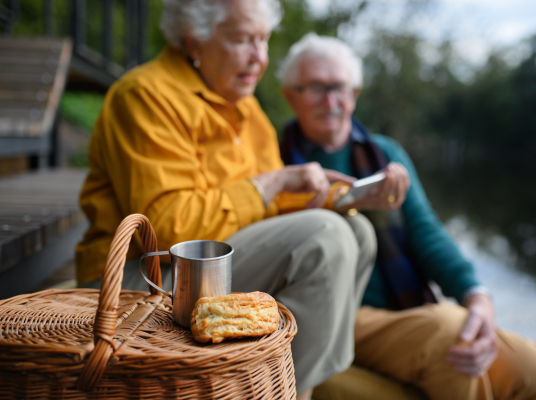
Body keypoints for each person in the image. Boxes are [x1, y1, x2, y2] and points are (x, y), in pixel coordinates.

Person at [74, 3, 377, 399]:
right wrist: (267, 183)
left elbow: (274, 207)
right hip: (144, 278)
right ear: (193, 40)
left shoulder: (248, 110)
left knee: (358, 230)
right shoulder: (145, 95)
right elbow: (168, 229)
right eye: (241, 40)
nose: (259, 57)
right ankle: (279, 391)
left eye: (264, 40)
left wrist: (347, 196)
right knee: (327, 237)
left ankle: (287, 381)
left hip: (214, 265)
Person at [279, 32, 536, 400]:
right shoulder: (276, 159)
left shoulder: (384, 154)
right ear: (290, 95)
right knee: (448, 335)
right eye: (315, 88)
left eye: (339, 87)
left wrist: (476, 295)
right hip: (337, 315)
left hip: (403, 310)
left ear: (355, 94)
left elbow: (426, 231)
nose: (330, 100)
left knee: (532, 369)